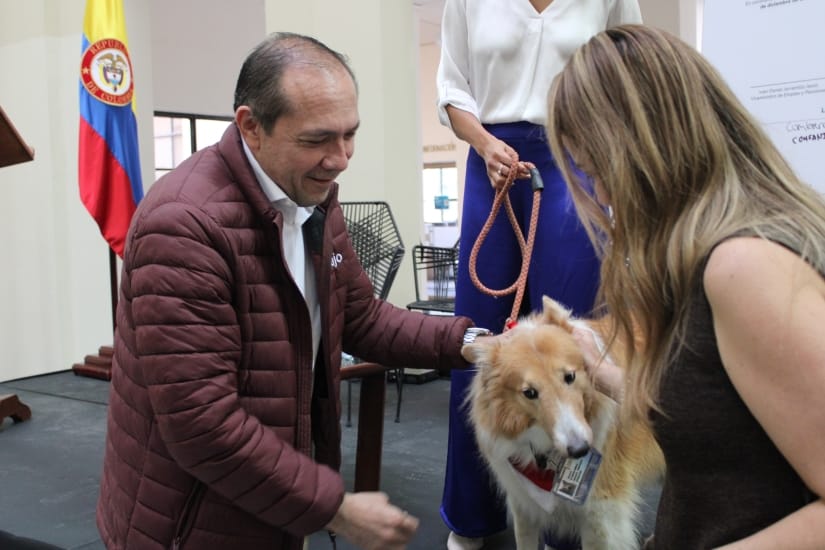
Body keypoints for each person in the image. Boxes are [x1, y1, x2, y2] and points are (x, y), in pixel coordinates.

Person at [95, 32, 480, 550]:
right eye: (317, 140)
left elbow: (362, 318)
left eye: (350, 135)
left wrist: (476, 345)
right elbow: (203, 425)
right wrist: (334, 507)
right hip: (187, 525)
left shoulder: (310, 196)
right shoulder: (183, 226)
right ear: (251, 127)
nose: (341, 158)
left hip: (265, 503)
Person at [547, 24, 825, 549]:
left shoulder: (744, 266)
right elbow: (725, 422)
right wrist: (605, 373)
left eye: (598, 169)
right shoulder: (709, 256)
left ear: (646, 146)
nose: (603, 194)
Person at [435, 1, 641, 548]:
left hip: (574, 159)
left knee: (577, 348)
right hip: (491, 161)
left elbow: (626, 76)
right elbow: (453, 91)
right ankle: (472, 513)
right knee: (478, 346)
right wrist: (482, 143)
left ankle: (573, 521)